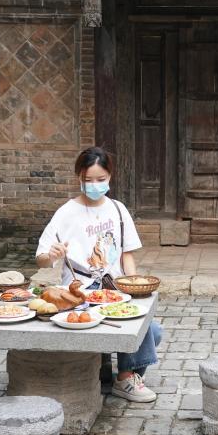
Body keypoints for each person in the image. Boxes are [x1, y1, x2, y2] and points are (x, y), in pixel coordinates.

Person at [35, 147, 163, 403]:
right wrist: (52, 254)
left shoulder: (118, 209)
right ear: (79, 178)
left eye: (101, 179)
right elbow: (41, 258)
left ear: (110, 177)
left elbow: (127, 254)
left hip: (114, 288)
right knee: (140, 330)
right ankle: (121, 376)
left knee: (152, 330)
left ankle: (119, 374)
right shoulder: (66, 212)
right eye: (88, 180)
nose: (94, 185)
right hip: (80, 291)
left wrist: (133, 287)